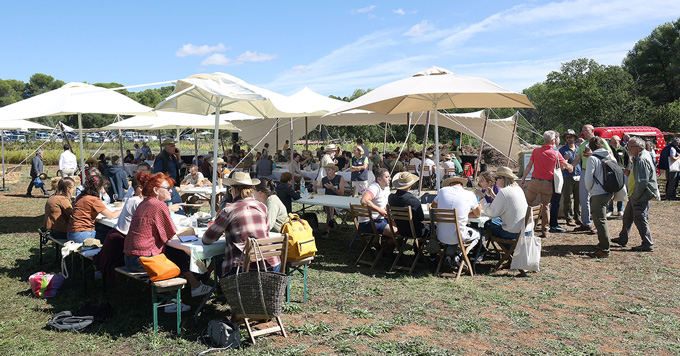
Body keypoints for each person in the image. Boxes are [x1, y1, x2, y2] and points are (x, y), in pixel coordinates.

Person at [124, 172, 211, 310]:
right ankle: (172, 302)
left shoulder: (144, 203)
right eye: (168, 188)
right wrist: (191, 231)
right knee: (177, 252)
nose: (171, 190)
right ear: (156, 190)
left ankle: (195, 285)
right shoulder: (158, 205)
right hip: (144, 261)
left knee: (174, 251)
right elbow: (171, 234)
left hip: (130, 259)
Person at [202, 172, 282, 276]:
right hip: (271, 264)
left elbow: (207, 239)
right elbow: (264, 231)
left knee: (219, 261)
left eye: (230, 190)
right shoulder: (262, 207)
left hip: (244, 268)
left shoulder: (229, 210)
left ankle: (208, 282)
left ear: (234, 190)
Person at [611, 136, 660, 252]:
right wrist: (629, 173)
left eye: (630, 147)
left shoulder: (642, 159)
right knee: (627, 216)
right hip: (635, 193)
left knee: (640, 218)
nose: (628, 149)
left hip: (639, 194)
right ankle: (623, 238)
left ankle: (648, 244)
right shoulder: (640, 156)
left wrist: (636, 195)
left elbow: (643, 181)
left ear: (639, 147)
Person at [520, 130, 573, 238]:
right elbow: (565, 166)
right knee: (546, 206)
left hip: (534, 181)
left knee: (528, 204)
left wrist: (524, 178)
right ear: (553, 141)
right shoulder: (555, 153)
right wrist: (570, 166)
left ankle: (524, 226)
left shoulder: (536, 151)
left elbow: (529, 166)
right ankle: (545, 230)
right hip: (547, 183)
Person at [95, 174, 143, 285]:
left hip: (115, 239)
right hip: (119, 244)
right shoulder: (137, 202)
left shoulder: (132, 199)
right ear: (140, 187)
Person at [431, 176, 482, 266]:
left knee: (453, 232)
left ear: (450, 185)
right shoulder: (469, 194)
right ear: (462, 185)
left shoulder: (442, 191)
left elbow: (433, 207)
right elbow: (477, 214)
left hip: (440, 235)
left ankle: (449, 255)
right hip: (459, 235)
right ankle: (459, 255)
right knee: (477, 234)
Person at [571, 124, 612, 234]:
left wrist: (592, 153)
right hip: (585, 171)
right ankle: (586, 223)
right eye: (583, 130)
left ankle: (598, 224)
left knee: (597, 198)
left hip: (599, 171)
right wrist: (570, 166)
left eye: (586, 130)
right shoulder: (583, 144)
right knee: (584, 198)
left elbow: (610, 155)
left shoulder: (601, 141)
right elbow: (577, 159)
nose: (584, 132)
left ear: (592, 130)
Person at [475, 167, 527, 241]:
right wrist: (494, 196)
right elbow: (505, 205)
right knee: (490, 222)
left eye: (496, 178)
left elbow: (491, 212)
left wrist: (482, 197)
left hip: (513, 232)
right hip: (523, 230)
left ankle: (479, 248)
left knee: (482, 224)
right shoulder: (517, 188)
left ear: (502, 179)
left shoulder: (504, 192)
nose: (495, 181)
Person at [585, 137, 616, 258]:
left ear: (591, 147)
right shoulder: (610, 156)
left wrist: (591, 190)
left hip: (598, 193)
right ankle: (603, 244)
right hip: (609, 192)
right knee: (601, 219)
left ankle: (604, 249)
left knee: (600, 220)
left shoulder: (592, 158)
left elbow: (588, 179)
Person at [67, 174, 121, 243]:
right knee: (111, 237)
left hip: (71, 233)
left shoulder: (81, 196)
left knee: (103, 230)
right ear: (101, 187)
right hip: (82, 234)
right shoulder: (93, 200)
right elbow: (111, 215)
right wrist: (124, 209)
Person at [388, 172, 429, 239]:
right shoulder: (413, 201)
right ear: (410, 186)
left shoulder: (391, 198)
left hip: (401, 230)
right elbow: (421, 218)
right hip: (416, 231)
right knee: (432, 227)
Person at [359, 168, 393, 239]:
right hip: (369, 222)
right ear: (379, 179)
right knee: (395, 232)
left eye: (389, 176)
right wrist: (380, 210)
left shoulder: (386, 188)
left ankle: (381, 245)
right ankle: (383, 247)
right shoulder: (374, 187)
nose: (390, 179)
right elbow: (364, 201)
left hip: (380, 219)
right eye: (386, 177)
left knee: (401, 228)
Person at [559, 129, 581, 226]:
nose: (568, 139)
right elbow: (561, 164)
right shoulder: (562, 150)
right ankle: (568, 217)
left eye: (570, 137)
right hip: (567, 176)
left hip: (579, 176)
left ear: (575, 138)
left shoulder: (579, 148)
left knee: (578, 198)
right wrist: (566, 160)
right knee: (567, 198)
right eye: (567, 137)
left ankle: (577, 217)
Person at [319, 164, 345, 235]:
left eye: (329, 170)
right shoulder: (324, 179)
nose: (327, 171)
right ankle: (331, 220)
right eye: (326, 170)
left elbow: (341, 193)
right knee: (329, 204)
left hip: (338, 202)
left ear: (334, 171)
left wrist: (333, 188)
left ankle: (327, 229)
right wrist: (315, 186)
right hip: (326, 202)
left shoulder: (340, 178)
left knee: (330, 205)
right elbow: (318, 190)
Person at [608, 135, 629, 216]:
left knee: (621, 190)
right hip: (611, 173)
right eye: (612, 142)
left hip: (621, 173)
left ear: (619, 141)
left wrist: (626, 169)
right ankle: (610, 210)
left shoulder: (623, 149)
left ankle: (620, 209)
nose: (613, 143)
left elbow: (628, 161)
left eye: (615, 142)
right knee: (611, 191)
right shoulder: (609, 149)